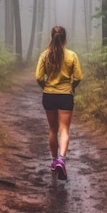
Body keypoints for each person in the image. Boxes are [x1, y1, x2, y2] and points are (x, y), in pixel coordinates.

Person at [35, 26, 83, 180]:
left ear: (52, 37)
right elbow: (78, 77)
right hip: (65, 96)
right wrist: (71, 87)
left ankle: (54, 160)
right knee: (64, 130)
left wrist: (46, 87)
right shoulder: (72, 55)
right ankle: (62, 160)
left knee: (52, 129)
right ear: (65, 37)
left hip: (48, 96)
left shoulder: (44, 55)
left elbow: (38, 77)